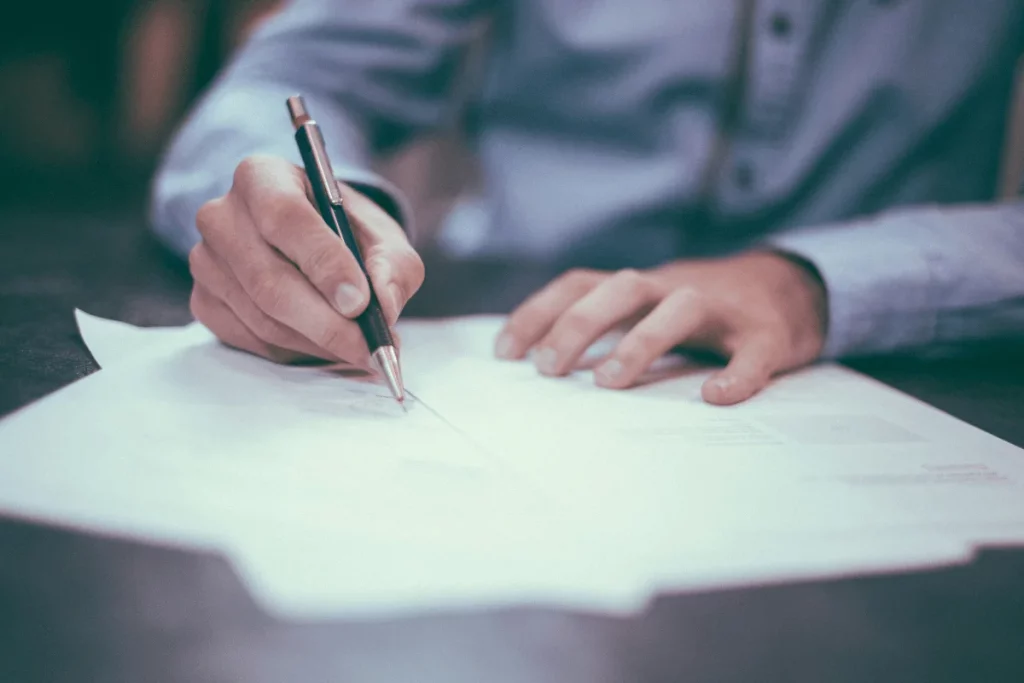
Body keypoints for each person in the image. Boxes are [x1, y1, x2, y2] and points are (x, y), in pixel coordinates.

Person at [151, 1, 1024, 406]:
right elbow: (280, 83)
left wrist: (813, 282)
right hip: (513, 339)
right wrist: (299, 215)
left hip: (903, 369)